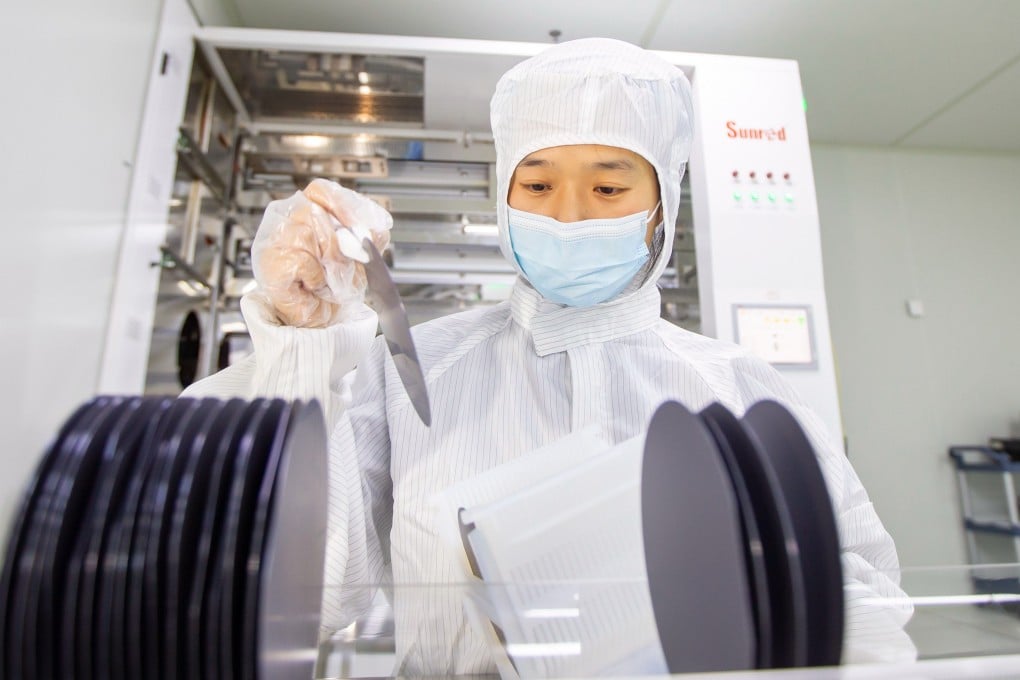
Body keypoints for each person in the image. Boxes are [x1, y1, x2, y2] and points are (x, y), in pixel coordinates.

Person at [184, 37, 915, 673]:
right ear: (504, 197)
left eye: (609, 186)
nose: (568, 216)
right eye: (536, 184)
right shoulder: (411, 373)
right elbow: (294, 592)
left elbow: (858, 592)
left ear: (663, 203)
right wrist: (302, 340)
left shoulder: (741, 388)